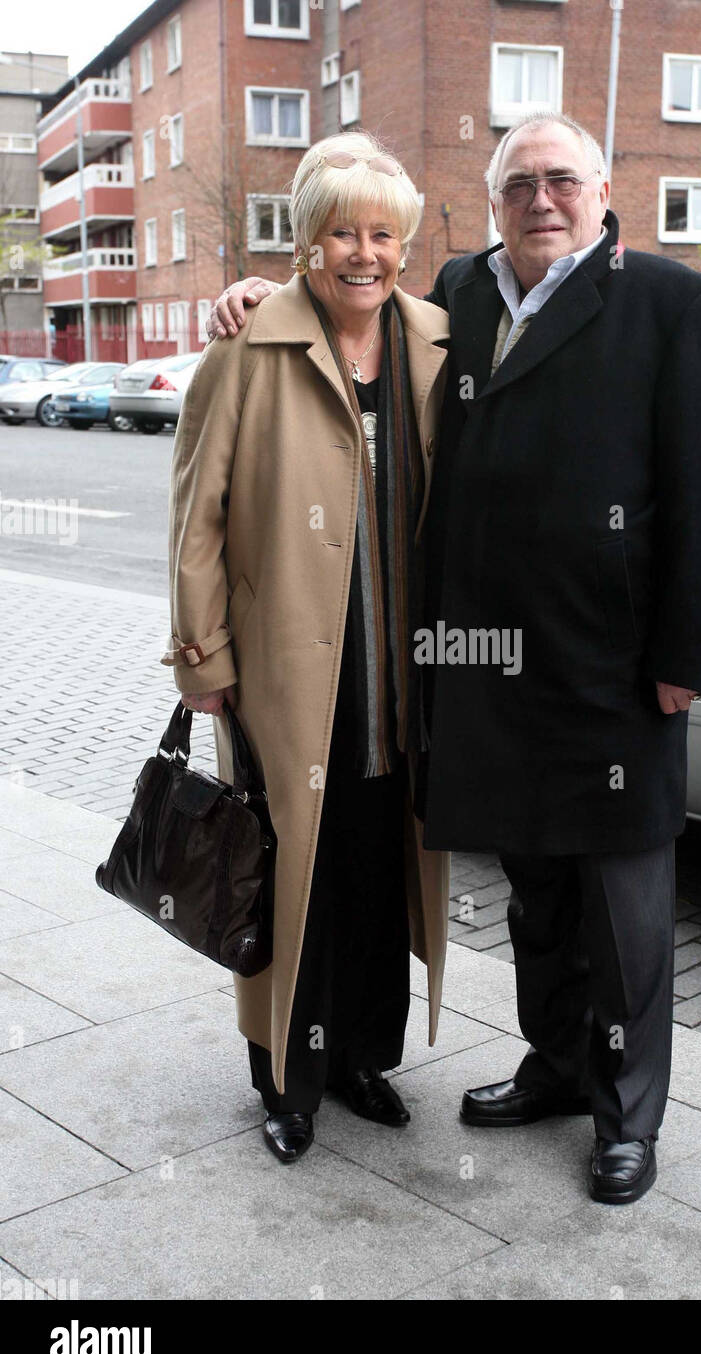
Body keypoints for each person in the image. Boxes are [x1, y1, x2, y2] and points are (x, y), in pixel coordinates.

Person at [206, 111, 701, 1203]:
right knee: (536, 893)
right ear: (493, 199)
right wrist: (257, 291)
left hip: (616, 675)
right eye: (518, 185)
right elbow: (344, 297)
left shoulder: (681, 306)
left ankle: (626, 1113)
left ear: (606, 193)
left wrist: (691, 652)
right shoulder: (456, 291)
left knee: (625, 911)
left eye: (562, 181)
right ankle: (554, 1065)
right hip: (489, 669)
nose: (540, 200)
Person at [163, 130, 451, 1164]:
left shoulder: (437, 342)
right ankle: (286, 1077)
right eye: (341, 233)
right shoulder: (251, 343)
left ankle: (364, 1055)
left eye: (382, 233)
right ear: (308, 241)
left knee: (380, 866)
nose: (363, 253)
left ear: (405, 243)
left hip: (398, 672)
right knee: (291, 874)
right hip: (288, 672)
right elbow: (197, 511)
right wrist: (203, 657)